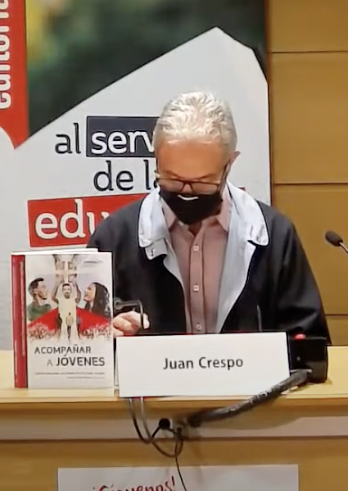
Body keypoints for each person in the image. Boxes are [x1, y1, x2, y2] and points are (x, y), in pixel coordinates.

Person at [87, 91, 329, 340]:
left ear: (229, 164)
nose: (186, 192)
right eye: (173, 179)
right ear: (156, 160)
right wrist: (105, 336)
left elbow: (308, 341)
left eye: (202, 182)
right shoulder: (114, 238)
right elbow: (83, 340)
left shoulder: (274, 235)